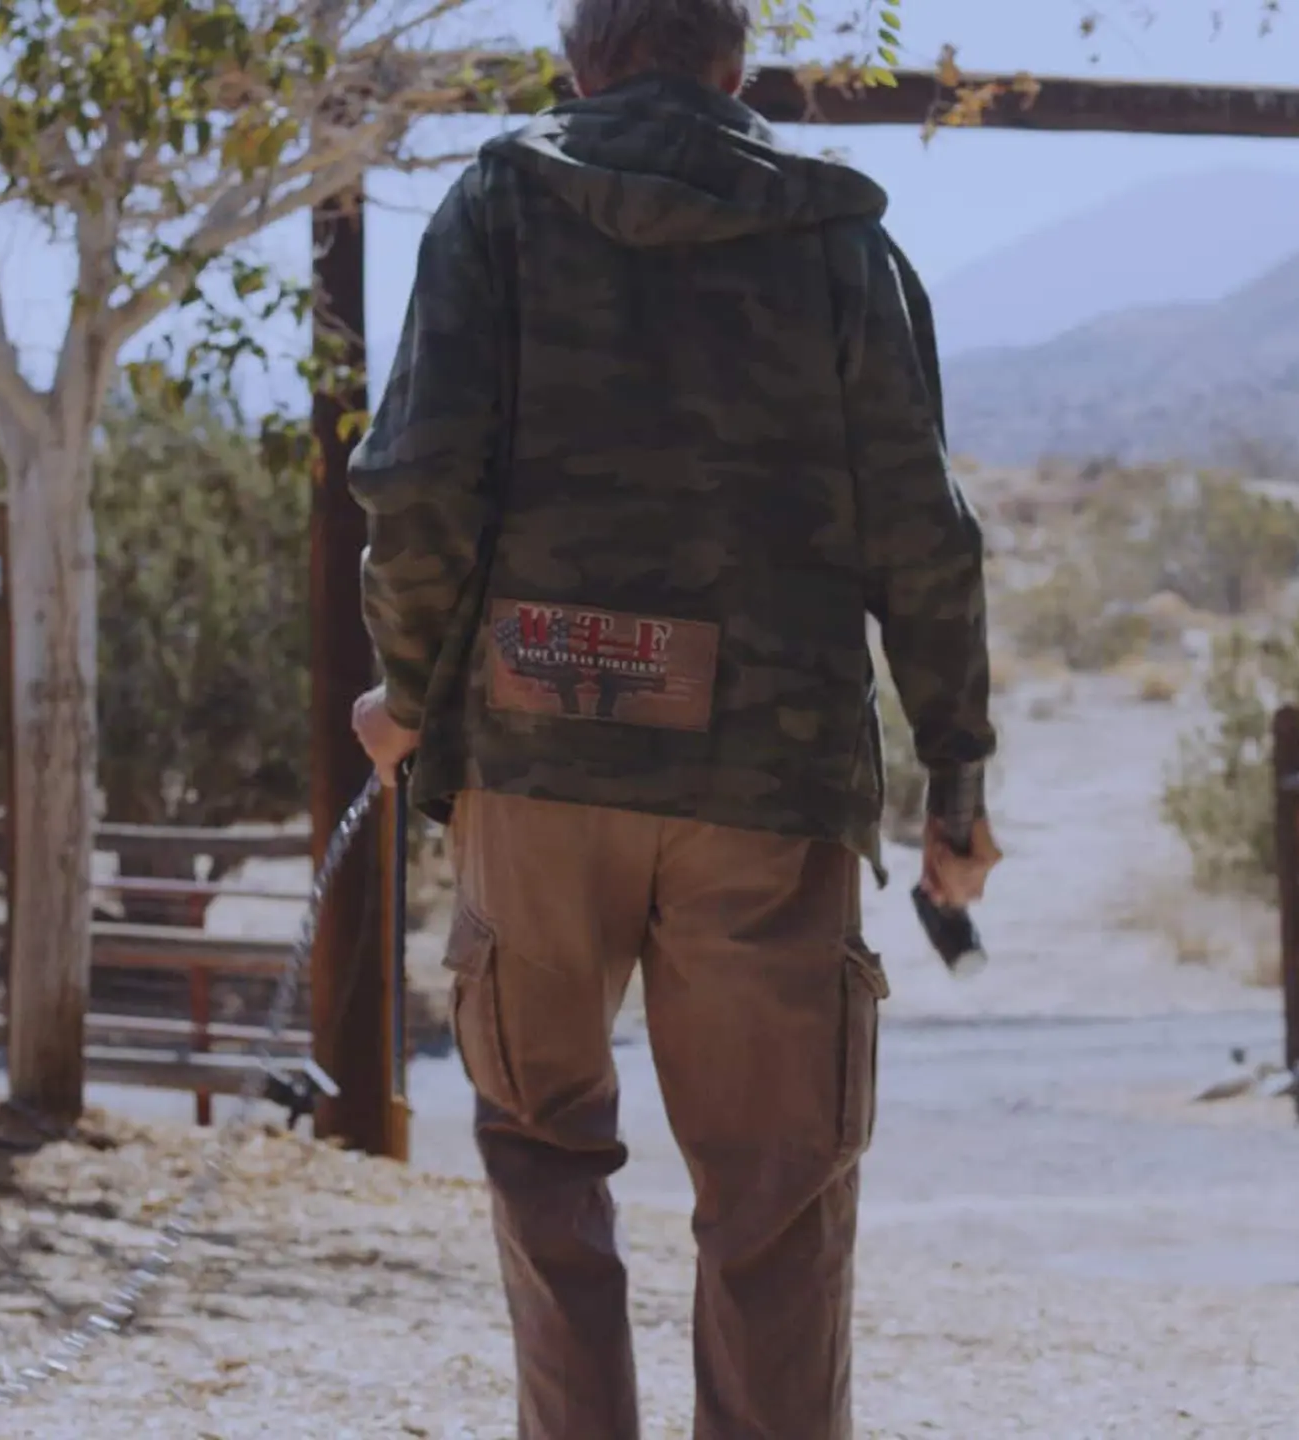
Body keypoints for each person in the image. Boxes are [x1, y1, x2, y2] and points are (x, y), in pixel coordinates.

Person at [343, 1, 999, 1435]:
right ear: (731, 62)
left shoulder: (496, 210)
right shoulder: (842, 242)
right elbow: (926, 540)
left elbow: (418, 487)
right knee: (777, 1196)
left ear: (580, 64)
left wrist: (407, 696)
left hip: (540, 760)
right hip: (769, 792)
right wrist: (956, 783)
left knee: (541, 1153)